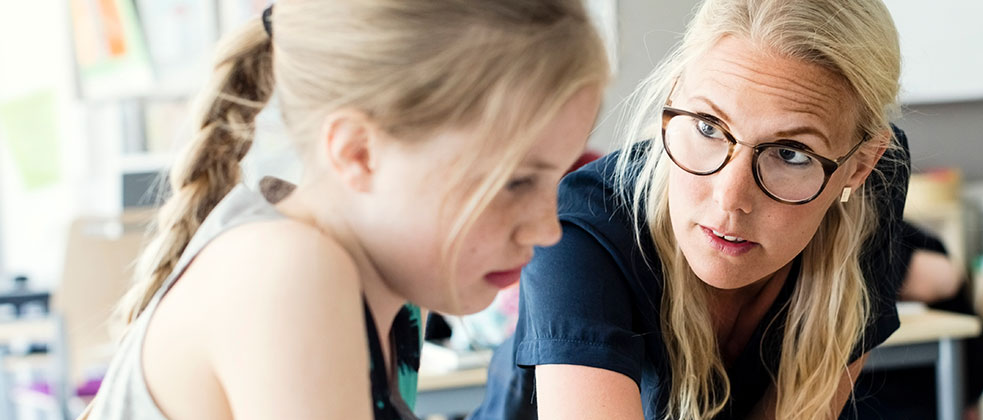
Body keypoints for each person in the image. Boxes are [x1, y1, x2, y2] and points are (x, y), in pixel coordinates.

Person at [82, 1, 608, 419]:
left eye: (556, 177)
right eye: (514, 182)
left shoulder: (396, 298)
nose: (547, 230)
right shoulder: (286, 270)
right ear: (358, 153)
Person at [473, 0, 908, 418]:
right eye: (708, 127)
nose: (729, 197)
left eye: (791, 154)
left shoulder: (872, 192)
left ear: (860, 165)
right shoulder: (581, 233)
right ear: (674, 92)